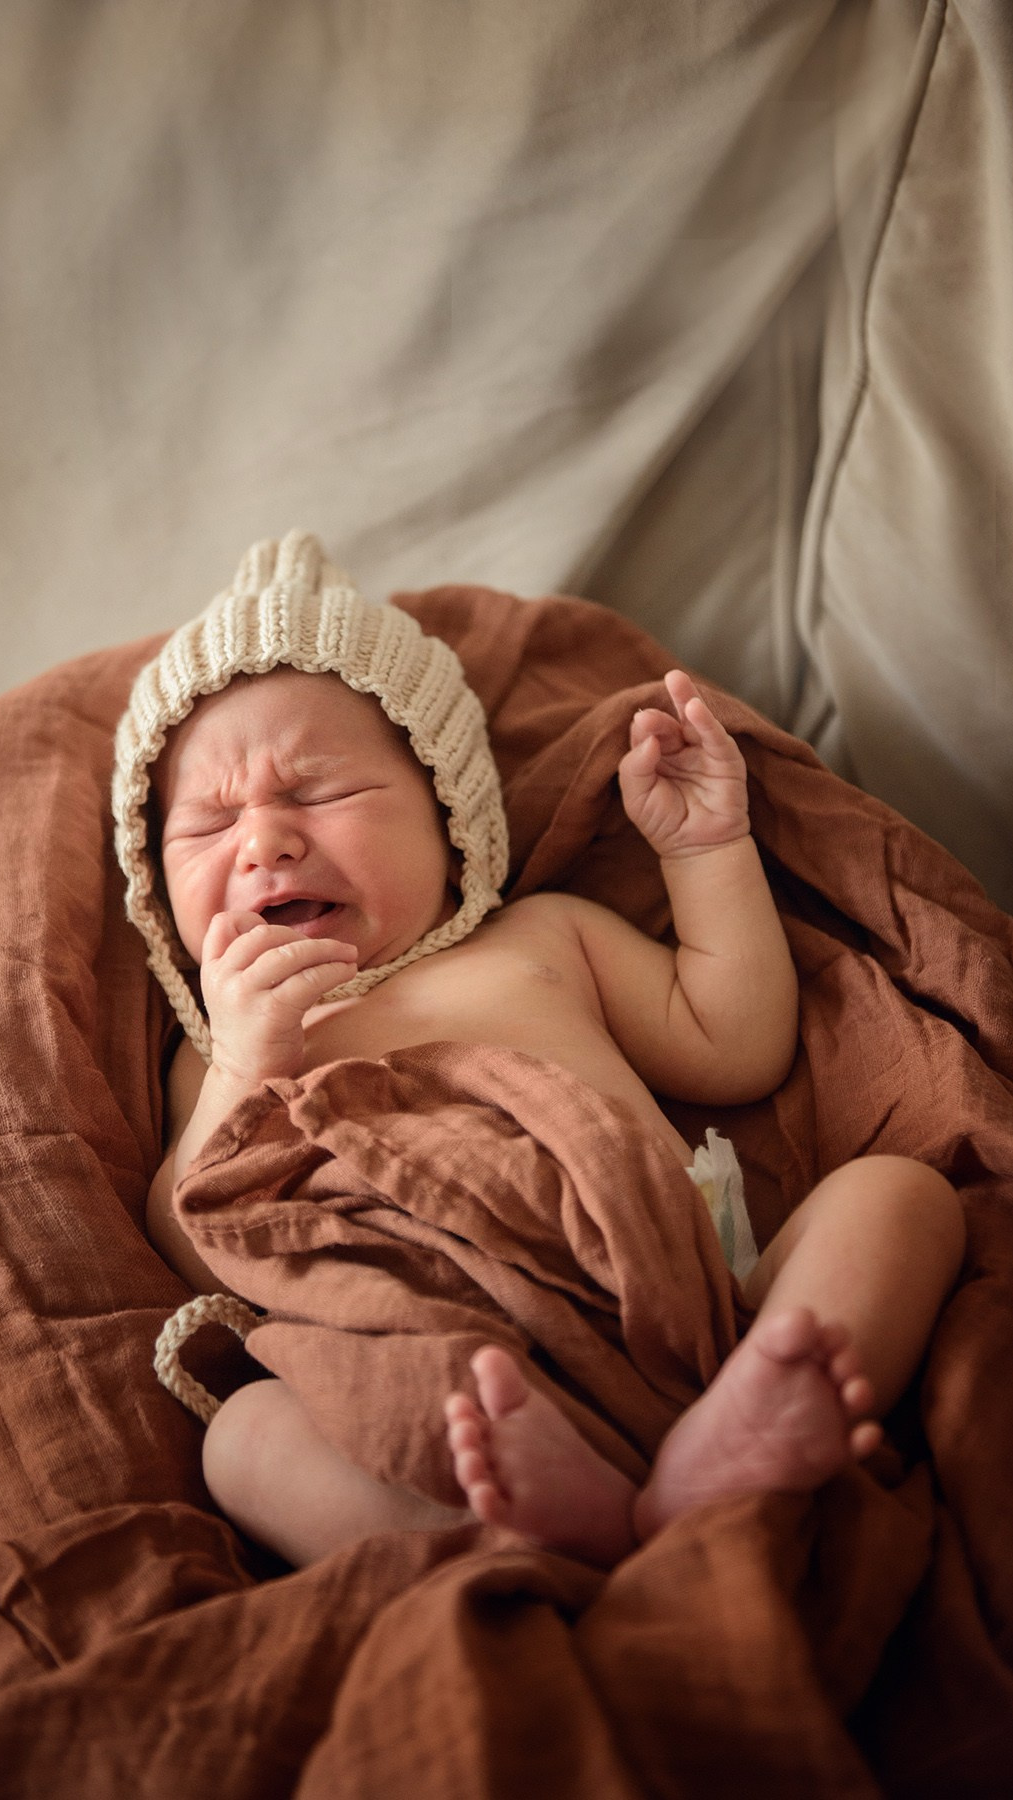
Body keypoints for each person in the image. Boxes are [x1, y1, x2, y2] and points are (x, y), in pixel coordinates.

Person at [114, 531, 964, 1572]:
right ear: (159, 899)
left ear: (448, 814)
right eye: (204, 826)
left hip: (675, 1293)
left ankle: (741, 1428)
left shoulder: (537, 942)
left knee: (897, 1199)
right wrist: (247, 1067)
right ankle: (500, 1532)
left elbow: (736, 1046)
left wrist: (705, 853)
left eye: (322, 793)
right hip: (413, 1351)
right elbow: (192, 1237)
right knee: (243, 1439)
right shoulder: (219, 1050)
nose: (263, 842)